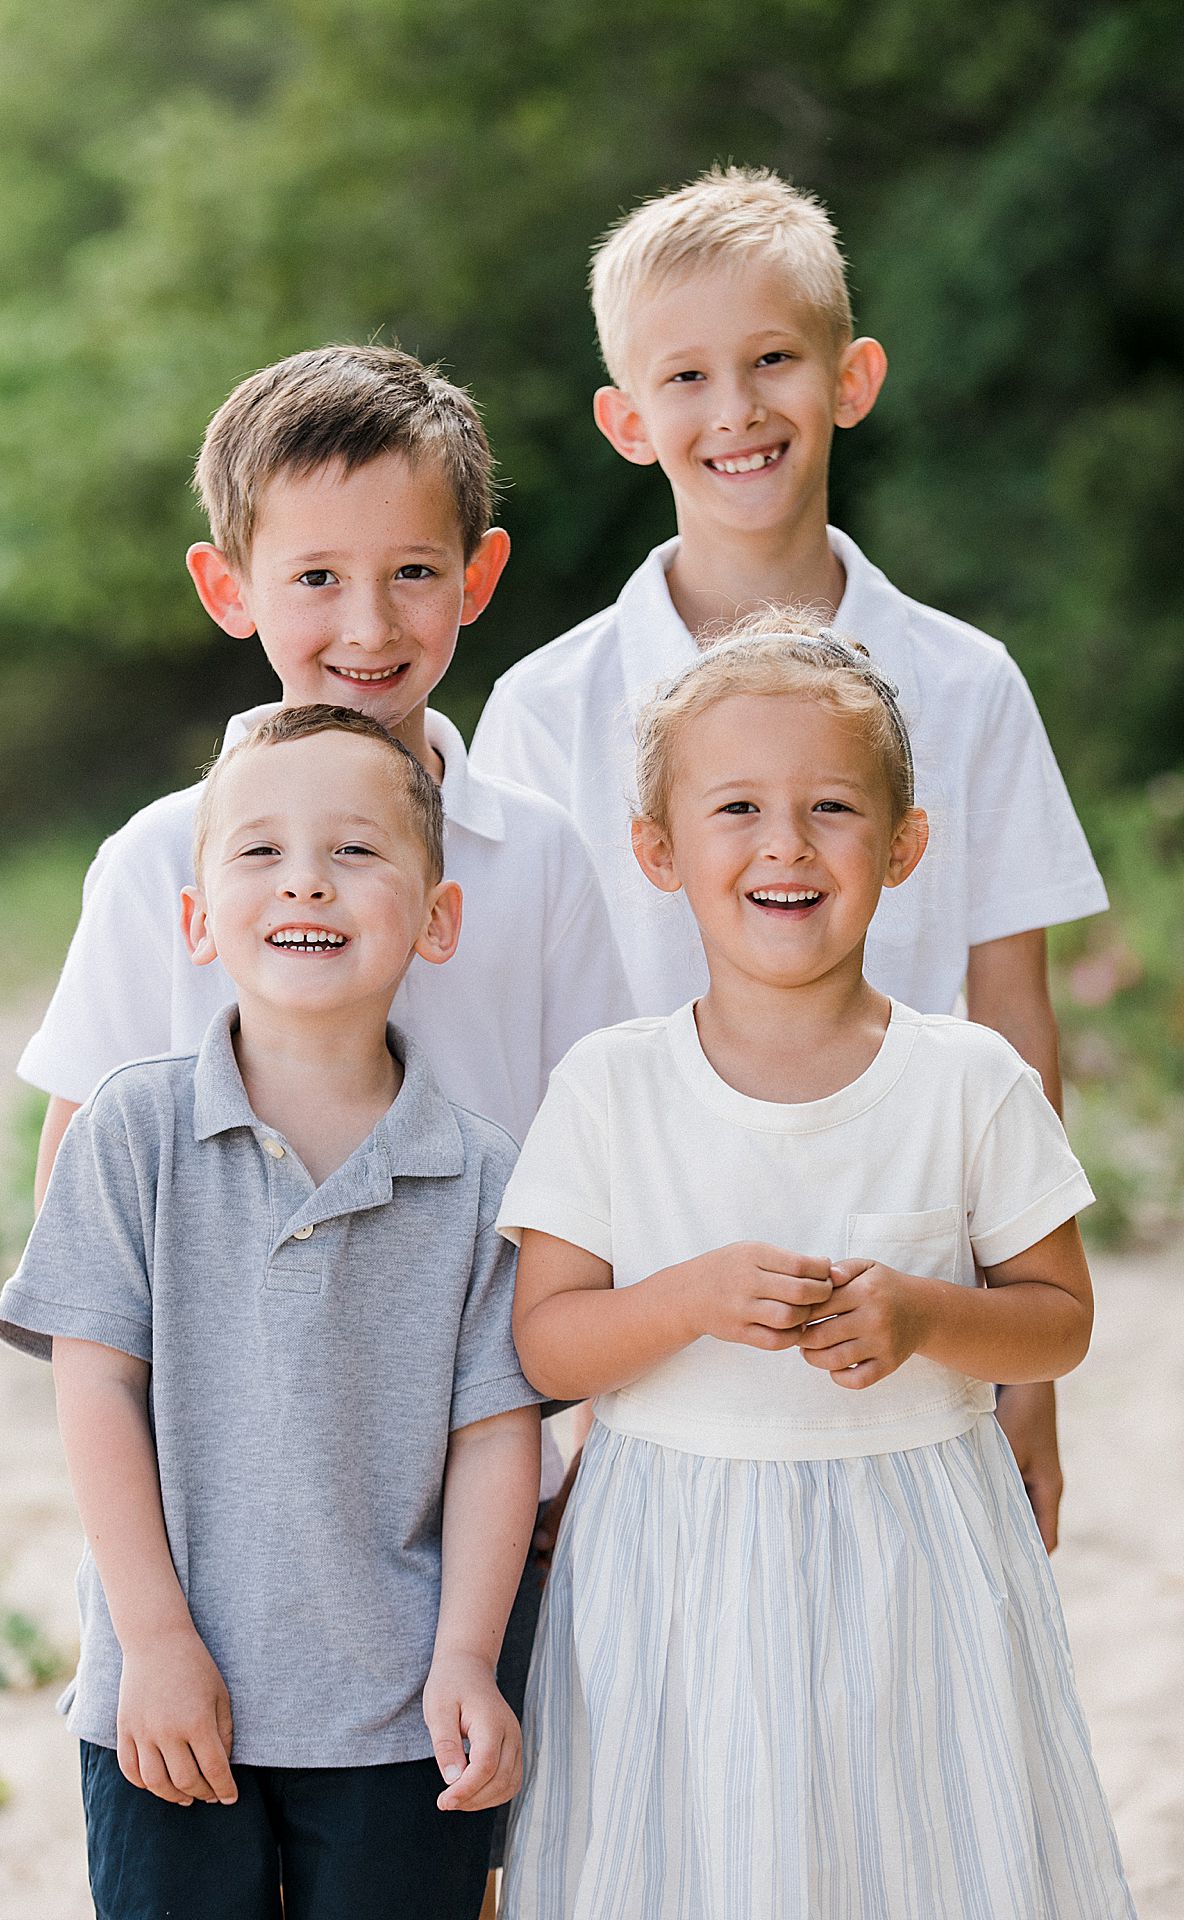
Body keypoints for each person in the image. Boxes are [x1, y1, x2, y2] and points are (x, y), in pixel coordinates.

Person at [16, 344, 630, 1910]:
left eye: (412, 573)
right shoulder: (159, 855)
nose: (367, 627)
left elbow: (599, 1167)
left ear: (478, 578)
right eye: (317, 579)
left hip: (465, 1503)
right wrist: (146, 1587)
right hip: (213, 1510)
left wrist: (545, 1481)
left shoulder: (540, 863)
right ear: (231, 589)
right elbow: (81, 1195)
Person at [469, 165, 1108, 1551]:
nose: (737, 410)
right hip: (645, 1324)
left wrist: (1024, 1385)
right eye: (685, 377)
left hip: (908, 1306)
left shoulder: (967, 682)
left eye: (773, 360)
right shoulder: (545, 708)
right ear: (625, 423)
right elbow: (502, 1041)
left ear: (851, 378)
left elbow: (1012, 1006)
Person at [495, 624, 1136, 1920]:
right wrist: (682, 1299)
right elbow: (544, 1347)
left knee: (923, 1855)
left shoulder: (967, 1080)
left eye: (831, 809)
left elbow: (1059, 1322)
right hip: (671, 1567)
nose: (785, 843)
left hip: (917, 1559)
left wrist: (925, 1315)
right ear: (659, 850)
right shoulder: (611, 1086)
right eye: (737, 808)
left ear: (902, 848)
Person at [0, 706, 543, 1920]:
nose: (307, 880)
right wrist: (153, 1641)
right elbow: (93, 1388)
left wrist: (465, 1658)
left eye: (356, 851)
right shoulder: (131, 1135)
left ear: (436, 919)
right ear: (195, 922)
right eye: (257, 852)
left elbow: (494, 1436)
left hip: (400, 1713)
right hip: (170, 1696)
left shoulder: (488, 1177)